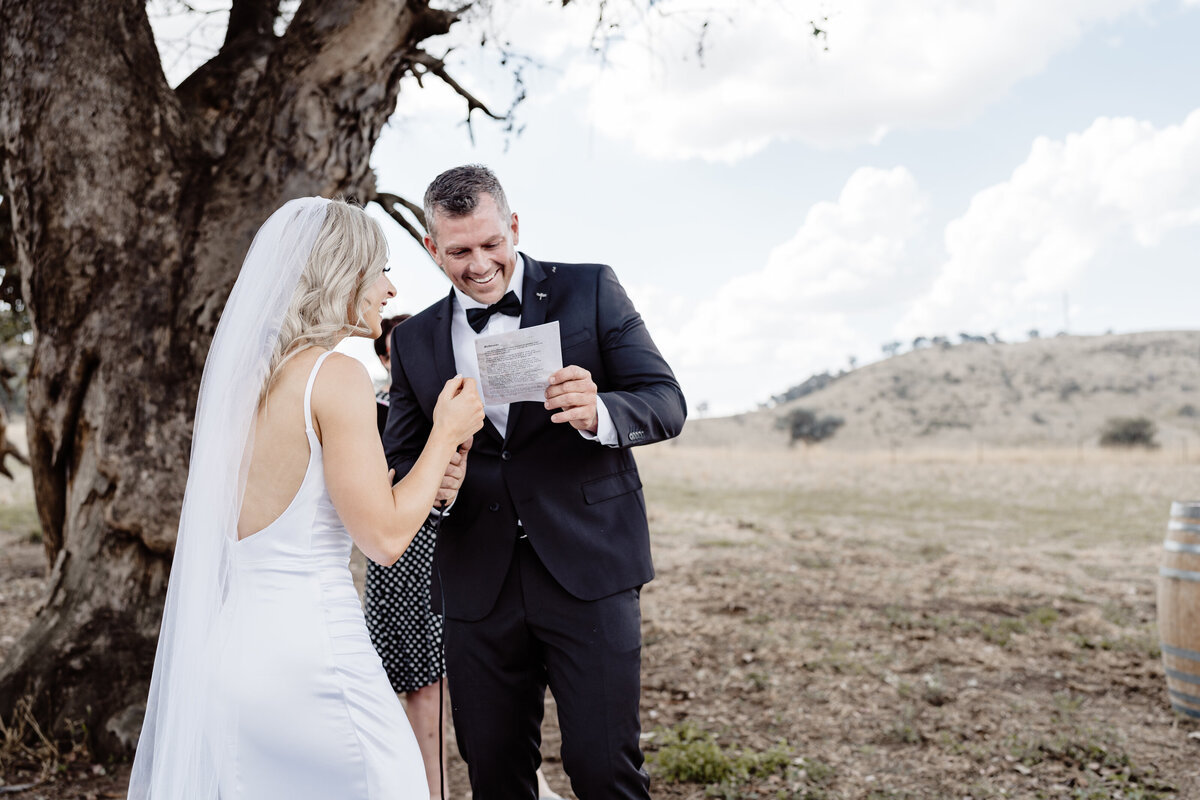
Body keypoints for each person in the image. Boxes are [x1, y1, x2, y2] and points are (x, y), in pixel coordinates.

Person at [127, 197, 485, 800]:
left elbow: (325, 505)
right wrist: (446, 431)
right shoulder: (336, 375)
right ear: (341, 275)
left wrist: (431, 476)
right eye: (378, 269)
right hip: (314, 662)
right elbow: (385, 538)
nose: (390, 289)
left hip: (232, 658)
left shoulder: (243, 386)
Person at [383, 165, 686, 800]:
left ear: (514, 227)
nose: (480, 264)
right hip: (476, 585)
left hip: (589, 568)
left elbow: (665, 400)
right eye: (459, 251)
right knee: (494, 774)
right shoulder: (412, 340)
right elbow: (404, 458)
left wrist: (600, 410)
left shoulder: (591, 290)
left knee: (604, 770)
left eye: (492, 244)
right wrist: (437, 477)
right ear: (433, 249)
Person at [368, 315, 565, 800]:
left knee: (493, 678)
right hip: (404, 558)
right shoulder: (370, 411)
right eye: (399, 354)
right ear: (386, 361)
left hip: (468, 543)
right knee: (424, 682)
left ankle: (531, 782)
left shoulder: (466, 401)